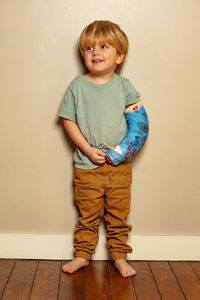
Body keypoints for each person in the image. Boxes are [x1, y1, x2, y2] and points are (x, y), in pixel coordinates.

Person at [58, 20, 148, 278]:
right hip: (87, 167)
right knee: (87, 215)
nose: (95, 52)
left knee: (118, 216)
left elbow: (140, 125)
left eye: (103, 46)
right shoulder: (77, 86)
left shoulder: (125, 86)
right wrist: (87, 149)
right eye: (88, 48)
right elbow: (68, 120)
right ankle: (82, 255)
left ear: (119, 56)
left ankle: (119, 257)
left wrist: (122, 150)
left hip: (119, 166)